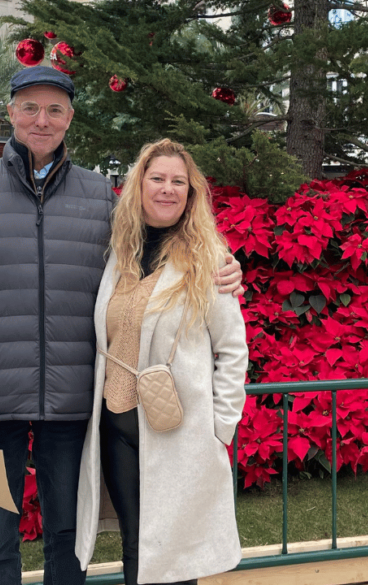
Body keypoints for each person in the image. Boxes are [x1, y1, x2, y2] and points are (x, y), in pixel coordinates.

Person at [0, 68, 242, 585]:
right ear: (11, 113)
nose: (41, 120)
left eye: (54, 110)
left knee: (68, 546)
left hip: (69, 413)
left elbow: (152, 264)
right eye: (29, 107)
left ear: (70, 118)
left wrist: (224, 268)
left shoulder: (98, 198)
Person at [75, 139, 247, 585]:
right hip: (117, 430)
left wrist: (220, 429)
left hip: (179, 436)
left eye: (178, 182)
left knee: (175, 558)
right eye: (157, 179)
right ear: (139, 185)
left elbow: (232, 350)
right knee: (138, 546)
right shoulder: (117, 253)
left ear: (191, 195)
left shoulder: (210, 261)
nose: (167, 189)